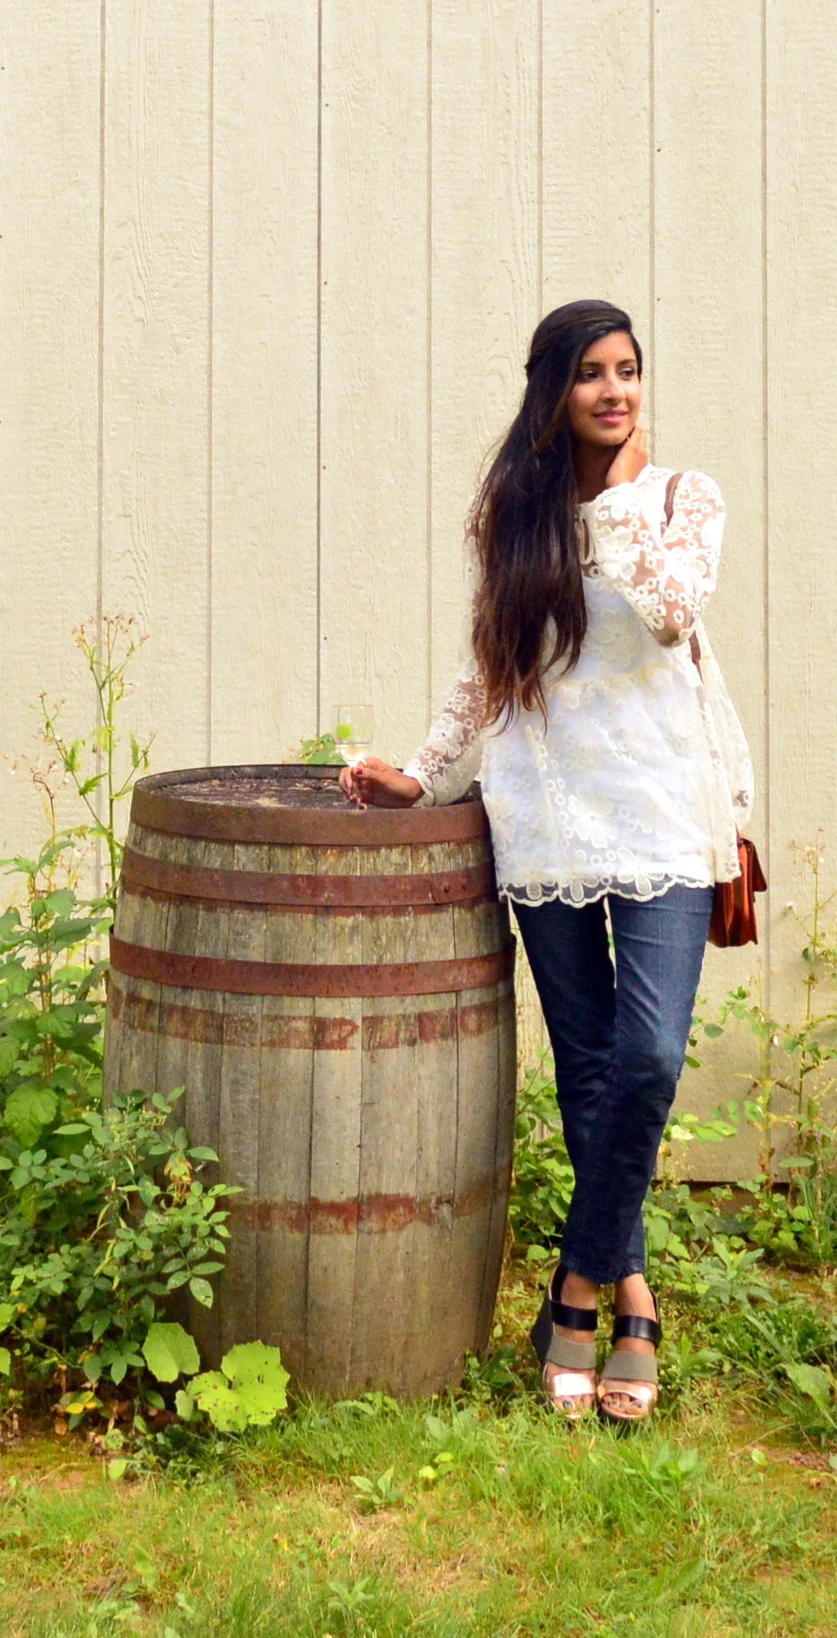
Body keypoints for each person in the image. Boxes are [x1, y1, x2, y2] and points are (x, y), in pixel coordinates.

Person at [340, 299, 753, 1423]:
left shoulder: (682, 500)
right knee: (586, 1065)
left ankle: (575, 1282)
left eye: (627, 372)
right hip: (547, 805)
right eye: (590, 376)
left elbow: (672, 612)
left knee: (651, 1051)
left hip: (663, 803)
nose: (614, 391)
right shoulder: (515, 516)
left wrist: (614, 503)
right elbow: (489, 669)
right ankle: (630, 1297)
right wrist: (423, 775)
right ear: (552, 391)